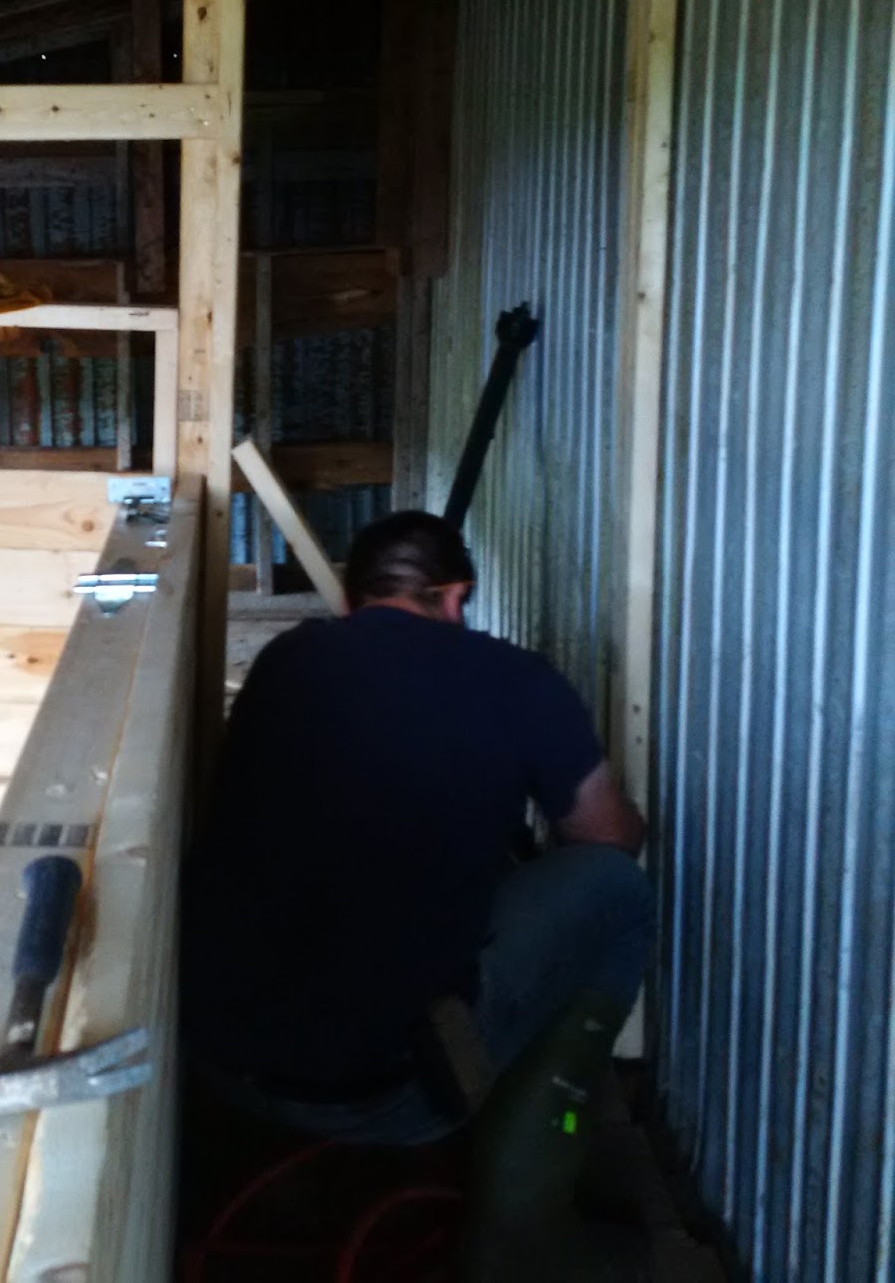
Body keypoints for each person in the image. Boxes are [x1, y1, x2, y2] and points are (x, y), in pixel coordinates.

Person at [182, 510, 654, 1280]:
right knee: (615, 892)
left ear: (352, 600)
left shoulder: (285, 660)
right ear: (457, 595)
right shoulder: (517, 681)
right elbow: (609, 839)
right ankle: (521, 1230)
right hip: (386, 1097)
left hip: (218, 1066)